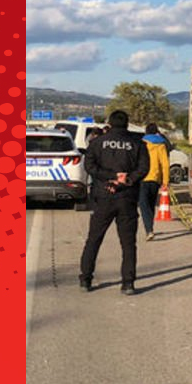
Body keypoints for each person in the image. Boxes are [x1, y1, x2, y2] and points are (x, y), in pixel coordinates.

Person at [79, 111, 149, 295]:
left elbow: (90, 166)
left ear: (110, 124)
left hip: (103, 195)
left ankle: (86, 279)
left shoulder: (97, 143)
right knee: (128, 243)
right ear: (127, 124)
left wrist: (110, 177)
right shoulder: (138, 144)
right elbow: (144, 168)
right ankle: (128, 283)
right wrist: (127, 180)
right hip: (127, 197)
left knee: (94, 239)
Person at [138, 123, 170, 240]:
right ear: (156, 132)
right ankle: (150, 228)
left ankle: (149, 229)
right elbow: (165, 164)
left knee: (143, 204)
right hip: (155, 179)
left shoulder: (142, 144)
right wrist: (165, 181)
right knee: (151, 204)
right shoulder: (161, 144)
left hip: (143, 178)